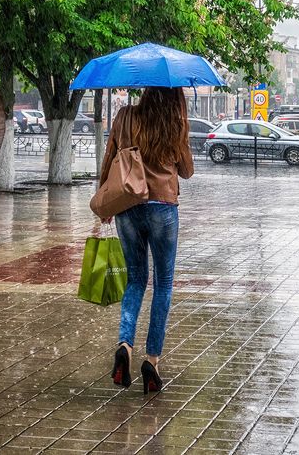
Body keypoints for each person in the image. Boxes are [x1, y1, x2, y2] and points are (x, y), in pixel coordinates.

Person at [101, 87, 194, 394]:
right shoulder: (174, 123)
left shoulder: (125, 116)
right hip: (163, 208)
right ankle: (151, 360)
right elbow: (187, 171)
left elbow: (109, 159)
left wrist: (104, 203)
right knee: (163, 284)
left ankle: (125, 345)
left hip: (127, 204)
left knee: (136, 280)